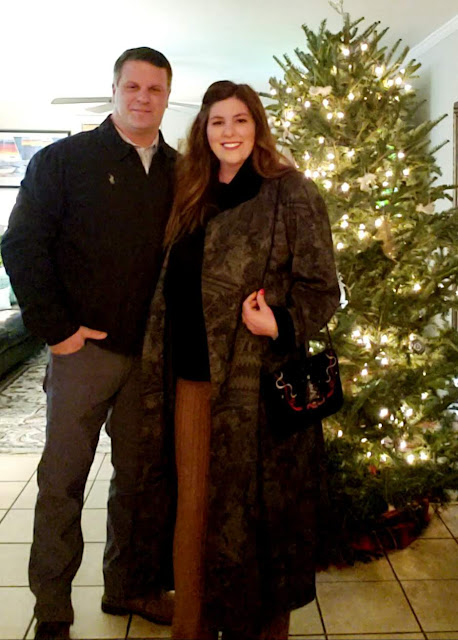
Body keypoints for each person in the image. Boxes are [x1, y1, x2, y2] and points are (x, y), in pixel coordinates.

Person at [141, 80, 340, 640]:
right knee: (193, 516)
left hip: (259, 391)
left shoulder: (290, 192)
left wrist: (279, 322)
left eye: (240, 120)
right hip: (192, 383)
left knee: (258, 523)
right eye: (217, 122)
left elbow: (322, 287)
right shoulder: (193, 193)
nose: (229, 132)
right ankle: (193, 629)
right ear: (204, 131)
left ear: (257, 126)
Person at [1, 47, 176, 640]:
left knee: (140, 483)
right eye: (133, 86)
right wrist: (58, 331)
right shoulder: (63, 161)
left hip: (151, 358)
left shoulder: (182, 171)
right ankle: (52, 607)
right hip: (83, 355)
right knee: (62, 482)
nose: (143, 97)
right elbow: (21, 245)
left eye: (155, 89)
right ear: (115, 89)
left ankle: (128, 587)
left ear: (167, 96)